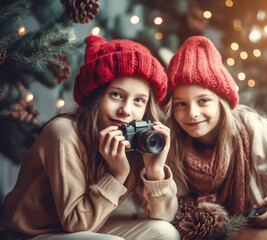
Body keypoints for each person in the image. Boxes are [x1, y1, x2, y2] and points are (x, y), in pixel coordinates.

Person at [3, 35, 179, 240]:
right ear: (95, 94)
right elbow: (76, 223)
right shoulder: (63, 132)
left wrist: (155, 171)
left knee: (165, 233)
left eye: (138, 100)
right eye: (116, 95)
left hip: (90, 229)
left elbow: (164, 216)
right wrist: (117, 174)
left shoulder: (134, 138)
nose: (126, 110)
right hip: (33, 233)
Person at [162, 36, 267, 227]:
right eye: (180, 104)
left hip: (262, 218)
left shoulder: (252, 129)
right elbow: (175, 199)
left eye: (203, 100)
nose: (192, 113)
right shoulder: (173, 140)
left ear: (221, 102)